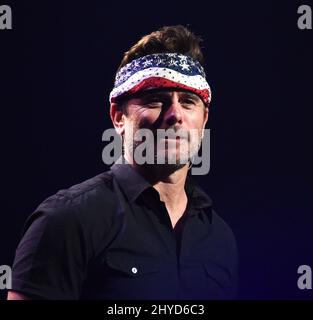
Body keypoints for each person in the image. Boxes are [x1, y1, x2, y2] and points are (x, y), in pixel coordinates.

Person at [8, 25, 238, 300]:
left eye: (188, 101)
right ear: (118, 117)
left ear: (204, 121)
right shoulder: (65, 222)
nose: (175, 114)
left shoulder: (220, 237)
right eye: (155, 100)